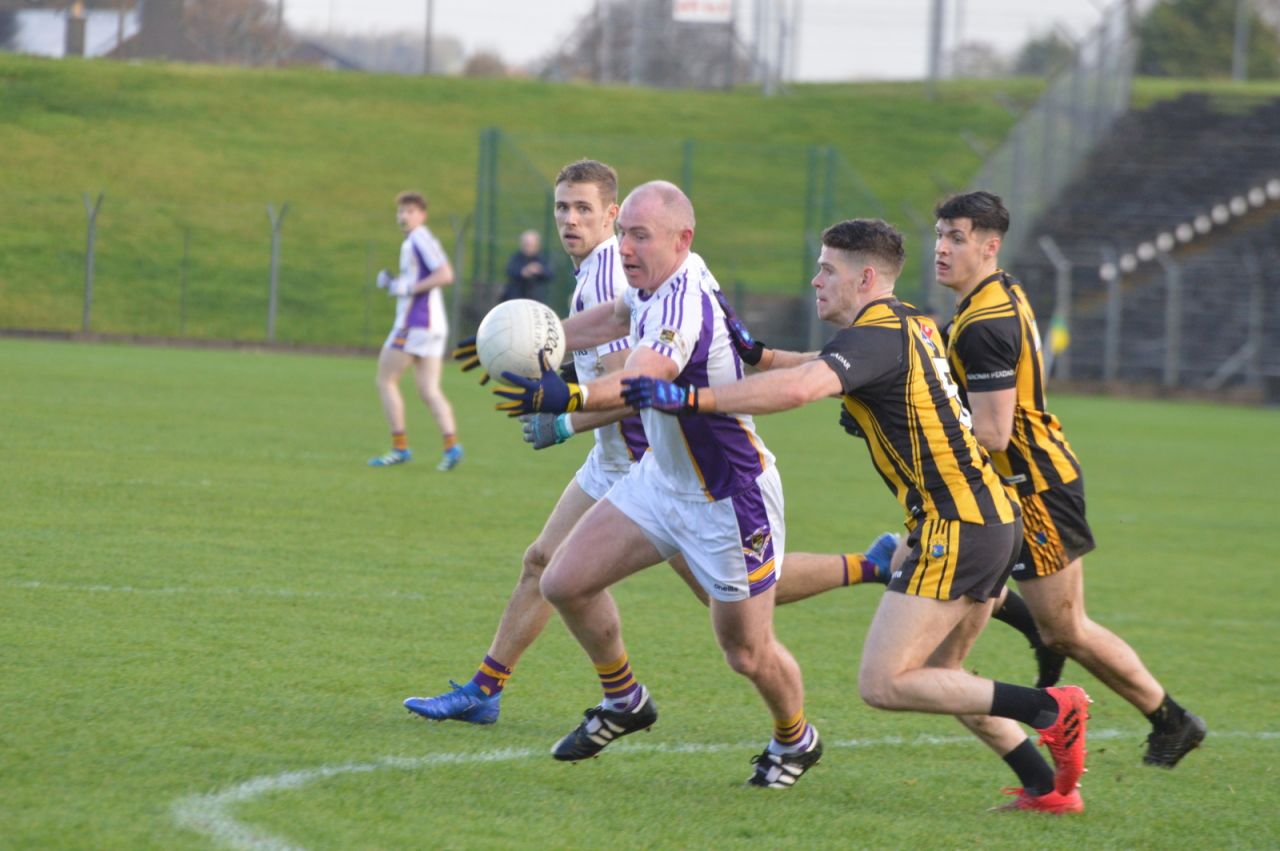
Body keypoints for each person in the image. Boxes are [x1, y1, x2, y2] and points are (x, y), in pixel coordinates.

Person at [404, 162, 899, 731]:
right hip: (635, 466)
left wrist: (566, 409)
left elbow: (640, 384)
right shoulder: (636, 276)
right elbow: (740, 350)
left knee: (738, 621)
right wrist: (519, 343)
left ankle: (858, 587)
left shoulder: (632, 279)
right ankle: (512, 690)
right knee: (551, 569)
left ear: (615, 214)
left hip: (669, 462)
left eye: (585, 209)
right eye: (562, 207)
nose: (571, 219)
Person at [620, 218, 1092, 813]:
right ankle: (1046, 788)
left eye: (828, 270)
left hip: (961, 525)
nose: (816, 280)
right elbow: (821, 362)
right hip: (986, 517)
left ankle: (1053, 709)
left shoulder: (873, 337)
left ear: (866, 277)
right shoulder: (905, 323)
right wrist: (760, 354)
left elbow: (801, 389)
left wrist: (690, 398)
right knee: (945, 675)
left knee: (885, 682)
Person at [491, 181, 824, 789]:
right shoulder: (660, 279)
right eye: (623, 234)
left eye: (639, 236)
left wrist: (569, 397)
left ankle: (795, 738)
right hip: (660, 482)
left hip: (729, 497)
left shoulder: (680, 302)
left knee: (746, 652)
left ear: (681, 240)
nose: (624, 247)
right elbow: (618, 314)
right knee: (563, 580)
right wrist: (541, 340)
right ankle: (626, 701)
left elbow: (646, 374)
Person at [930, 190, 1205, 768]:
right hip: (1015, 485)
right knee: (919, 562)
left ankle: (1172, 719)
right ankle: (1025, 640)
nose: (941, 248)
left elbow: (995, 434)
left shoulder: (983, 322)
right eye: (939, 234)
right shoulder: (998, 290)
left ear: (989, 245)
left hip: (1032, 491)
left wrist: (924, 434)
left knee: (1066, 631)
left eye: (956, 238)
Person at [368, 191, 463, 471]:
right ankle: (451, 446)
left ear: (422, 215)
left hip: (415, 324)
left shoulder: (420, 238)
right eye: (400, 211)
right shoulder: (416, 240)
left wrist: (407, 288)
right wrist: (396, 284)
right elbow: (418, 281)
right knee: (429, 390)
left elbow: (445, 274)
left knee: (385, 381)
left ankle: (400, 447)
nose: (403, 216)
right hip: (431, 326)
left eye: (410, 211)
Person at [500, 229, 553, 304]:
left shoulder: (540, 259)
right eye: (526, 244)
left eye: (531, 245)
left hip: (534, 300)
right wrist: (523, 272)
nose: (528, 247)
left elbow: (550, 274)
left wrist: (539, 271)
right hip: (515, 298)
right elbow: (509, 271)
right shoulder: (516, 257)